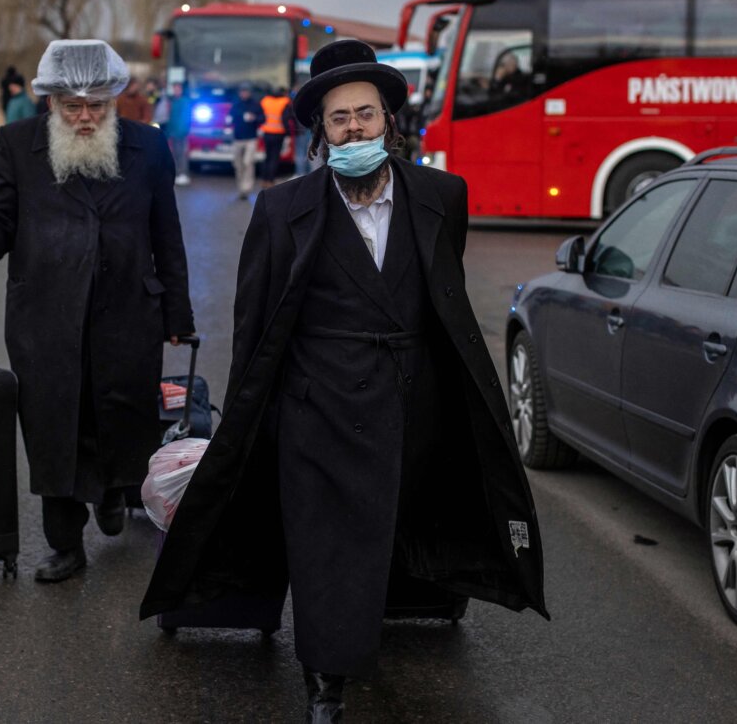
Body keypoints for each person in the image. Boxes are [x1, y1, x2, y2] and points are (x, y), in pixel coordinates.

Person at [140, 40, 548, 722]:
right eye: (339, 119)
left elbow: (442, 298)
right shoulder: (282, 210)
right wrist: (247, 423)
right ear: (322, 133)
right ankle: (326, 679)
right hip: (316, 406)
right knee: (326, 544)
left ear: (390, 122)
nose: (354, 128)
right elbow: (257, 323)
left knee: (394, 528)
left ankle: (401, 614)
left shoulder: (443, 196)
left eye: (366, 114)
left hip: (411, 402)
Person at [0, 39, 195, 584]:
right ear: (50, 102)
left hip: (127, 312)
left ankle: (112, 490)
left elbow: (166, 234)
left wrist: (178, 315)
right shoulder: (16, 144)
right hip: (45, 316)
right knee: (52, 426)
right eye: (71, 106)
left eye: (96, 106)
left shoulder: (149, 148)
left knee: (117, 416)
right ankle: (65, 545)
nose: (84, 117)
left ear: (114, 101)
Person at [227, 83, 263, 200]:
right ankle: (241, 187)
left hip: (251, 138)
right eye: (242, 91)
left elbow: (263, 118)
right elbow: (230, 117)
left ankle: (246, 188)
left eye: (246, 91)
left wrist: (255, 118)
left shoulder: (255, 105)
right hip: (237, 138)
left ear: (249, 93)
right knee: (238, 164)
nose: (244, 93)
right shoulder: (236, 104)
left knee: (248, 162)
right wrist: (229, 119)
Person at [258, 86, 290, 187]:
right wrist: (288, 133)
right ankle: (271, 181)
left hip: (267, 132)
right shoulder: (285, 101)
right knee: (274, 158)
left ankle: (264, 179)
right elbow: (286, 119)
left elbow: (261, 116)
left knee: (267, 157)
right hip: (279, 133)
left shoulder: (265, 100)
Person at [164, 81, 192, 186]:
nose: (176, 90)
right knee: (175, 154)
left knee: (181, 154)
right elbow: (171, 118)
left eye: (178, 88)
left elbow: (185, 119)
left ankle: (183, 174)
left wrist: (182, 131)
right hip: (173, 132)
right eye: (174, 88)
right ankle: (177, 174)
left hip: (181, 133)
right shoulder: (173, 102)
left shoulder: (184, 101)